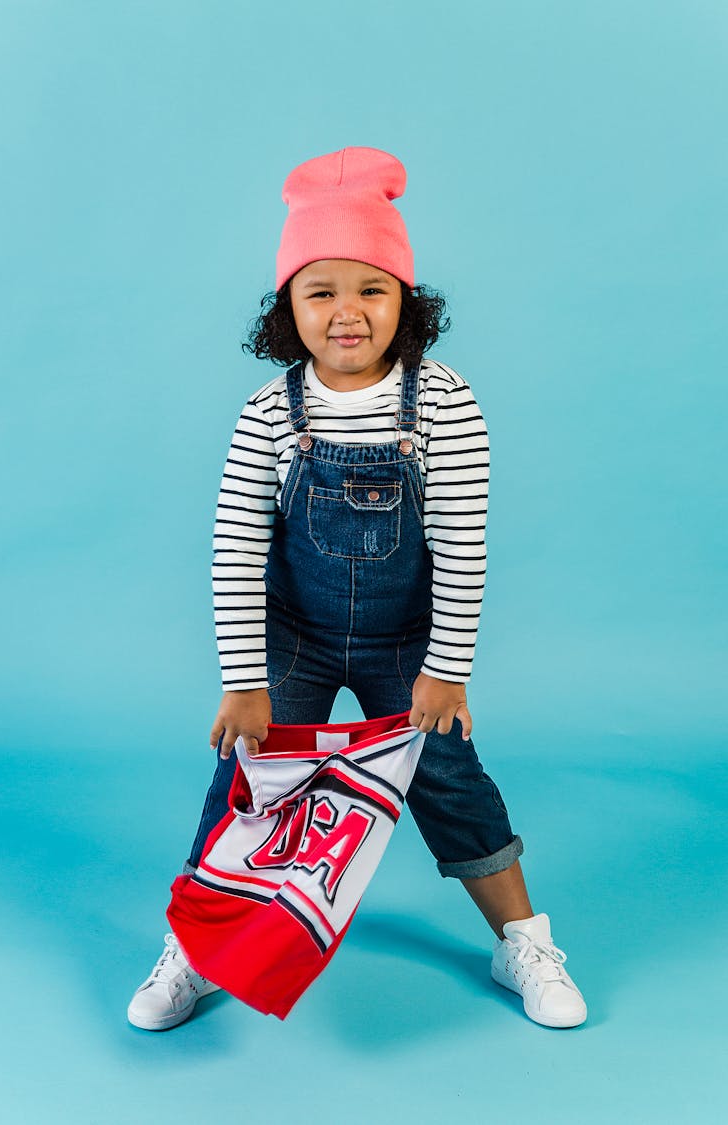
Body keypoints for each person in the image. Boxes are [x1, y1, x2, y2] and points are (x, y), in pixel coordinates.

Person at [127, 146, 587, 1033]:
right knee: (246, 780)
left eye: (372, 289)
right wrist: (246, 679)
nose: (347, 313)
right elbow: (232, 549)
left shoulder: (444, 403)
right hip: (291, 636)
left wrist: (445, 670)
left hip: (408, 642)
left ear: (406, 302)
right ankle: (196, 949)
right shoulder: (270, 413)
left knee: (451, 779)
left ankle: (521, 940)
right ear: (287, 309)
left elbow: (460, 544)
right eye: (321, 290)